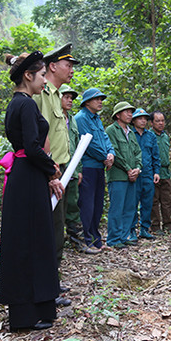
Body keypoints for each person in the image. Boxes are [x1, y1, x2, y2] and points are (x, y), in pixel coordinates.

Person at [0, 51, 62, 331]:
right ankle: (26, 314)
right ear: (28, 76)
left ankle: (37, 308)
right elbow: (32, 146)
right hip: (28, 178)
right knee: (29, 241)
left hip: (27, 176)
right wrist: (51, 169)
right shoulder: (24, 105)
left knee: (31, 240)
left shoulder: (20, 103)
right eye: (40, 76)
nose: (44, 82)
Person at [32, 43, 79, 301]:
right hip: (50, 174)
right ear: (52, 66)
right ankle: (46, 286)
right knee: (49, 231)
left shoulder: (56, 95)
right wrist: (50, 173)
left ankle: (53, 280)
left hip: (62, 172)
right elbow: (39, 137)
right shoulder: (42, 94)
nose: (71, 70)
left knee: (57, 230)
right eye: (68, 65)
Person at [74, 88, 115, 250]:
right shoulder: (81, 118)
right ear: (87, 102)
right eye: (97, 99)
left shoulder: (96, 118)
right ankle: (87, 239)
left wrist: (111, 153)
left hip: (99, 167)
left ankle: (96, 239)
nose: (100, 102)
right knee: (87, 204)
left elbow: (105, 139)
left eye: (101, 99)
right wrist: (105, 156)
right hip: (88, 167)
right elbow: (89, 144)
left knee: (98, 204)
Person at [59, 84, 98, 255]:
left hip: (73, 171)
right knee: (57, 209)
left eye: (71, 98)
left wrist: (79, 169)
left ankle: (77, 242)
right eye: (65, 97)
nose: (69, 100)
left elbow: (77, 146)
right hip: (58, 170)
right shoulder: (55, 118)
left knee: (73, 207)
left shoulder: (72, 120)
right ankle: (56, 243)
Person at [105, 102, 142, 248]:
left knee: (130, 208)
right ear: (118, 115)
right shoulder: (111, 130)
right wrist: (128, 169)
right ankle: (113, 239)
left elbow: (138, 152)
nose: (129, 114)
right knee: (117, 207)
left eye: (130, 112)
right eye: (126, 112)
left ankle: (123, 236)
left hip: (132, 176)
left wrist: (137, 168)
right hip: (118, 176)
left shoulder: (131, 132)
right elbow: (114, 152)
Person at [132, 108, 159, 239]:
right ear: (134, 120)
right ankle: (131, 230)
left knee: (147, 202)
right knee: (132, 202)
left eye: (145, 119)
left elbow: (155, 155)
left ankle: (144, 228)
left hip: (148, 173)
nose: (143, 121)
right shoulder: (130, 134)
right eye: (140, 118)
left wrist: (156, 172)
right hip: (134, 173)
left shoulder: (151, 136)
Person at [150, 111, 171, 234]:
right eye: (157, 121)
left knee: (167, 200)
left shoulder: (165, 136)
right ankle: (155, 226)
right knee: (154, 200)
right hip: (154, 172)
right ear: (151, 123)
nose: (160, 123)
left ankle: (168, 225)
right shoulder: (149, 135)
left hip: (165, 172)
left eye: (162, 121)